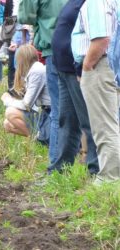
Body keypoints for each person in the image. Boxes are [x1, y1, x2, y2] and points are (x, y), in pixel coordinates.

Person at [71, 0, 120, 184]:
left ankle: (110, 178)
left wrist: (87, 65)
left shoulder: (96, 2)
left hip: (100, 66)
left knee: (104, 126)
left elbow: (102, 38)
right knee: (111, 123)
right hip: (110, 64)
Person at [49, 0, 99, 175]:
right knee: (67, 121)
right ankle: (60, 170)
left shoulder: (93, 3)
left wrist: (83, 66)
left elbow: (95, 37)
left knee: (88, 121)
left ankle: (95, 170)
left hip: (77, 70)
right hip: (63, 69)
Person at [18, 0, 67, 167]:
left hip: (53, 49)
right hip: (75, 49)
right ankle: (83, 162)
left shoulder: (36, 70)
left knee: (57, 111)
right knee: (74, 109)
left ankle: (56, 166)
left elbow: (25, 16)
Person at [1, 45, 50, 141]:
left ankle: (37, 139)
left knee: (10, 112)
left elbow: (27, 104)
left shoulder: (36, 71)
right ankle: (38, 136)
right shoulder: (35, 70)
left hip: (49, 112)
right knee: (7, 124)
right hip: (44, 111)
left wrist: (8, 101)